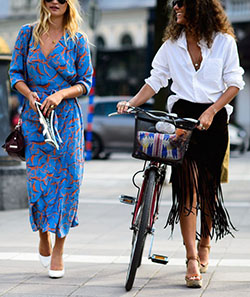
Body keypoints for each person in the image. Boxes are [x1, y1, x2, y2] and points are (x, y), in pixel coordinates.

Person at [117, 0, 244, 288]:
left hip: (214, 119)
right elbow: (156, 80)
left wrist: (212, 110)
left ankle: (205, 244)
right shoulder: (172, 45)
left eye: (181, 3)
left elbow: (235, 82)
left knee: (208, 190)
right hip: (183, 120)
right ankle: (190, 258)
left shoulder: (224, 42)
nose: (175, 7)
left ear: (198, 7)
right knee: (186, 188)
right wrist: (132, 102)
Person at [9, 0, 93, 278]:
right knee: (38, 184)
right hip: (35, 122)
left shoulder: (77, 40)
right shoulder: (26, 33)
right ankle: (43, 234)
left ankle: (59, 247)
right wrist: (28, 94)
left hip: (67, 121)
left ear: (69, 3)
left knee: (69, 182)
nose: (54, 1)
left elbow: (86, 82)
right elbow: (15, 74)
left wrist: (60, 95)